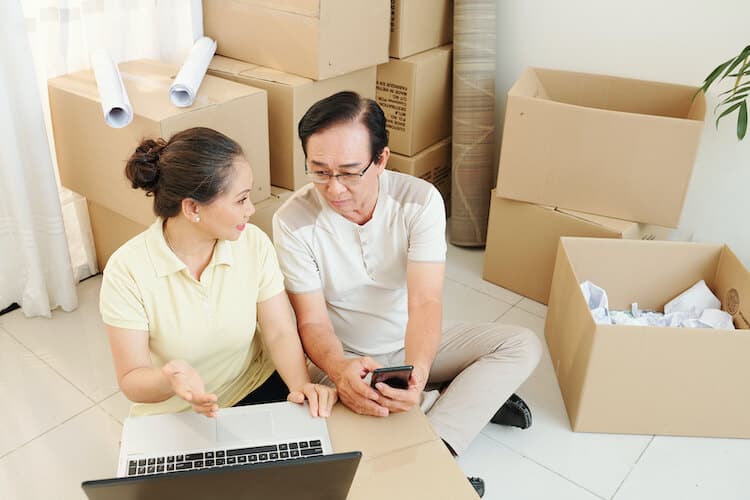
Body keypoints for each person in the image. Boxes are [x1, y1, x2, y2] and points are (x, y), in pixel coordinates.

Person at [272, 92, 542, 497]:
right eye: (320, 172)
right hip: (341, 359)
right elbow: (310, 321)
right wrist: (341, 369)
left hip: (405, 339)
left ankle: (436, 446)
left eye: (349, 172)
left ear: (381, 160)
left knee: (521, 344)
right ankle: (455, 408)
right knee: (347, 427)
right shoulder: (292, 221)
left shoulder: (419, 201)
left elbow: (425, 302)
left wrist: (416, 370)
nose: (335, 189)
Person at [100, 127, 336, 418]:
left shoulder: (252, 243)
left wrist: (301, 386)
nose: (250, 210)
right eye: (241, 200)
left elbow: (279, 331)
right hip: (178, 412)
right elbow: (132, 378)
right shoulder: (127, 271)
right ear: (192, 208)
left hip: (255, 385)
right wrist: (169, 379)